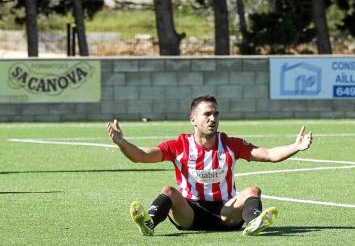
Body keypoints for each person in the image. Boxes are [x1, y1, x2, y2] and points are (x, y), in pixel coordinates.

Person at [106, 95, 313, 236]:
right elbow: (141, 156)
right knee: (168, 191)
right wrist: (122, 142)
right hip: (189, 213)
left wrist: (296, 146)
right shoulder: (178, 145)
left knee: (253, 190)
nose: (213, 118)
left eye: (216, 114)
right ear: (193, 120)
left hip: (226, 212)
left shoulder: (231, 144)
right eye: (207, 114)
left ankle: (253, 223)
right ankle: (149, 223)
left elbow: (268, 154)